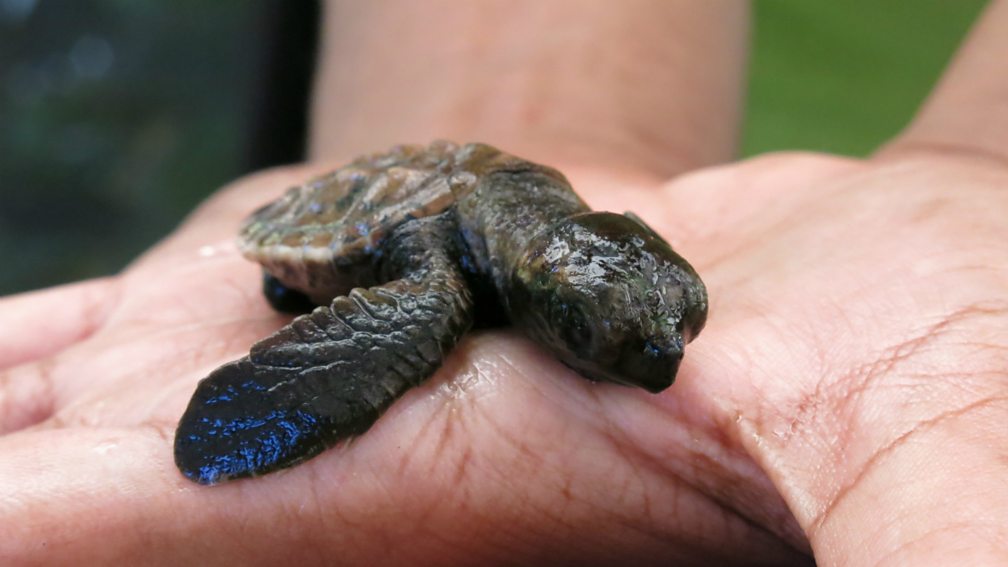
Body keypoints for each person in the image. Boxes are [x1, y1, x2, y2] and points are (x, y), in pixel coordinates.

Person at [1, 1, 1005, 564]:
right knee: (410, 312)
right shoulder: (441, 276)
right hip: (366, 209)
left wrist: (982, 174)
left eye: (672, 329)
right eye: (614, 343)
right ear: (538, 298)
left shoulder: (565, 236)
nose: (659, 364)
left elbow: (611, 263)